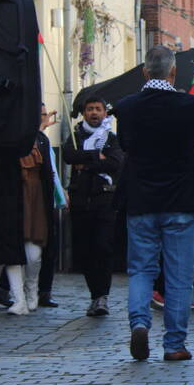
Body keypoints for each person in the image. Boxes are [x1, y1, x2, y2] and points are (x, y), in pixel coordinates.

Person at [115, 46, 194, 361]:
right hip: (180, 201)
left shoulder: (126, 107)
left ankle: (139, 323)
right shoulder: (189, 105)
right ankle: (174, 344)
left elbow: (125, 145)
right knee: (179, 275)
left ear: (144, 72)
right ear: (173, 73)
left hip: (140, 200)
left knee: (140, 269)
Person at [0, 104, 59, 315]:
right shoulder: (6, 140)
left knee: (34, 253)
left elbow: (49, 174)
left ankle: (31, 290)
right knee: (11, 250)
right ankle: (18, 299)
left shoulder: (42, 140)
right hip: (11, 200)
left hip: (36, 199)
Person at [63, 96, 124, 317]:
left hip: (104, 200)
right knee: (86, 251)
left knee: (103, 247)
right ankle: (93, 294)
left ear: (104, 113)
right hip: (81, 201)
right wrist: (94, 157)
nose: (94, 113)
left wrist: (86, 163)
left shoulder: (110, 138)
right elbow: (69, 155)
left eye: (98, 109)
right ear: (84, 112)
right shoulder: (75, 135)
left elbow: (115, 163)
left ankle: (102, 296)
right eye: (90, 109)